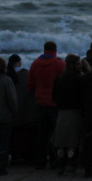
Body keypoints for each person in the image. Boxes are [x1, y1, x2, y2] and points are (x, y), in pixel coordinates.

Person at [27, 41, 65, 169]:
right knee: (55, 134)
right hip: (55, 104)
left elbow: (30, 84)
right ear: (55, 50)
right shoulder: (59, 64)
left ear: (44, 50)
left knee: (41, 134)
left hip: (40, 103)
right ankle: (54, 161)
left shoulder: (35, 64)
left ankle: (40, 161)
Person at [51, 54, 83, 175]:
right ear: (72, 65)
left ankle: (60, 164)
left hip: (62, 111)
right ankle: (70, 164)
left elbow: (54, 97)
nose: (80, 66)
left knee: (60, 139)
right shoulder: (79, 79)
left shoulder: (59, 78)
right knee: (72, 140)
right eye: (78, 63)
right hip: (75, 111)